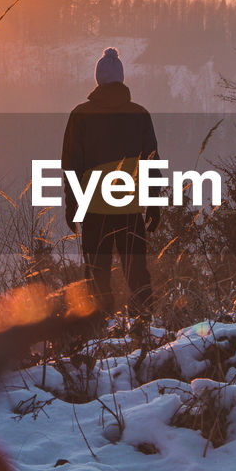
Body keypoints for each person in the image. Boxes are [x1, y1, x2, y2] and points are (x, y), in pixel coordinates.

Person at [62, 47, 160, 322]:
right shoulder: (140, 114)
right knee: (137, 272)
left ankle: (98, 330)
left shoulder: (80, 115)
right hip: (130, 207)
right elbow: (151, 161)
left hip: (93, 208)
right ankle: (143, 328)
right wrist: (153, 204)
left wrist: (72, 206)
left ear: (98, 80)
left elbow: (71, 165)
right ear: (121, 79)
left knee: (96, 273)